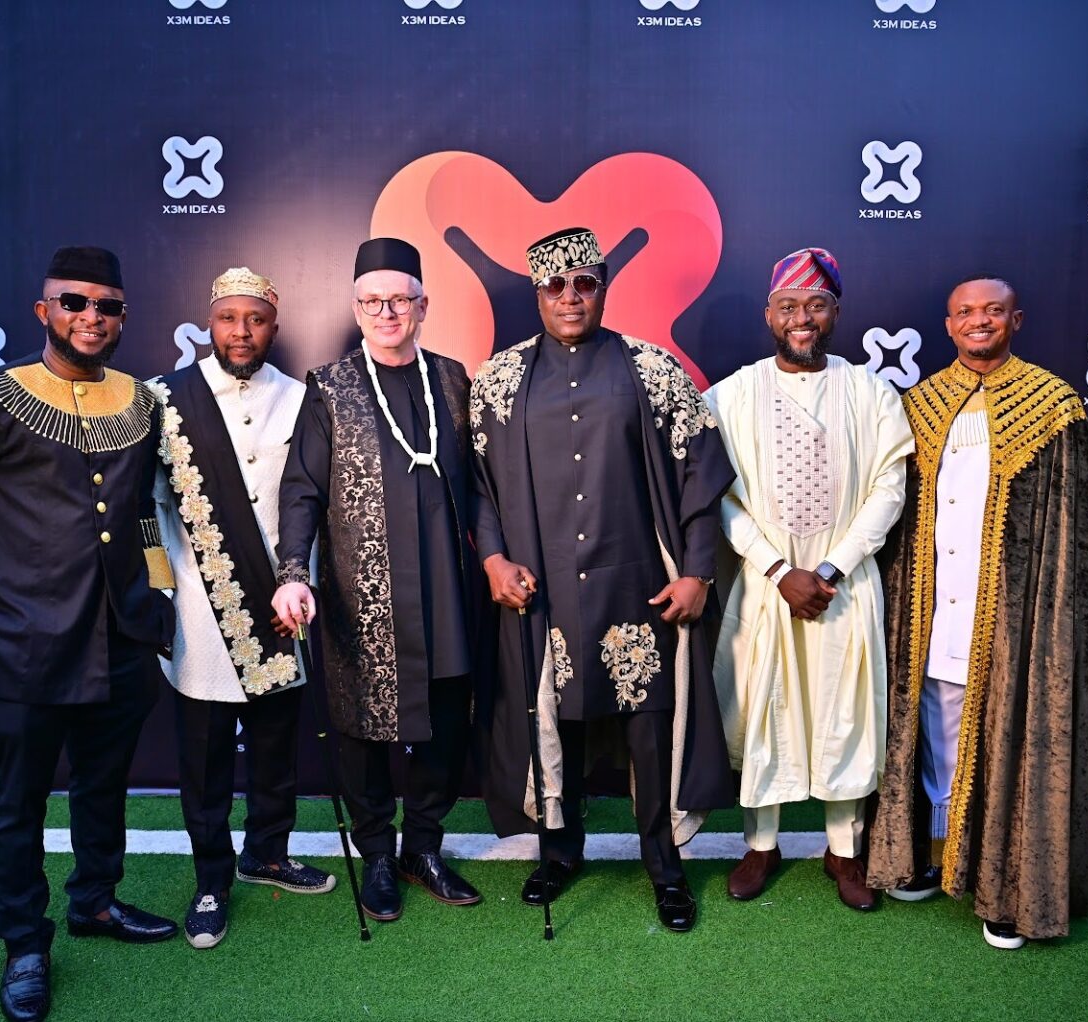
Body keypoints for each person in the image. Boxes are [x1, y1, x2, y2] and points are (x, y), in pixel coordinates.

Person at [0, 246, 178, 1022]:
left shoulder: (142, 403)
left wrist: (156, 600)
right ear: (44, 311)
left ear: (123, 316)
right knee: (17, 804)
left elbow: (140, 513)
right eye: (74, 302)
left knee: (104, 785)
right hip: (24, 644)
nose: (91, 317)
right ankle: (25, 944)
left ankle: (96, 899)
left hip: (122, 640)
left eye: (107, 306)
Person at [473, 227, 735, 933]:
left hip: (636, 584)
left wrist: (698, 572)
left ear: (604, 287)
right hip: (542, 586)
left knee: (649, 725)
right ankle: (560, 851)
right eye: (555, 285)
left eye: (584, 283)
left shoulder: (654, 370)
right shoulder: (499, 379)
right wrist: (493, 560)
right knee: (553, 720)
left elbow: (700, 482)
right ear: (537, 293)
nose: (570, 297)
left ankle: (664, 864)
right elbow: (479, 488)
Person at [866, 276, 1088, 950]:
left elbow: (1071, 529)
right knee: (935, 732)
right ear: (948, 326)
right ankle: (936, 856)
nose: (980, 321)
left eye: (993, 311)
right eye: (966, 312)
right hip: (933, 606)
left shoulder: (1052, 404)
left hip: (1012, 613)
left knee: (1011, 736)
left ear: (1015, 320)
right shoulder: (921, 404)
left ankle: (1008, 889)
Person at [271, 238, 483, 923]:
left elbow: (483, 485)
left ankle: (423, 847)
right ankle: (378, 858)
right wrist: (292, 573)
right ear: (357, 309)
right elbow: (302, 490)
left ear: (423, 305)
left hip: (446, 589)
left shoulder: (451, 379)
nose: (387, 312)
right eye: (372, 301)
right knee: (360, 730)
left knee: (445, 721)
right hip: (362, 596)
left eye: (400, 299)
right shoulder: (330, 386)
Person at [704, 247, 912, 911]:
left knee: (843, 711)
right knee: (763, 707)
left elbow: (889, 488)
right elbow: (719, 498)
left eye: (816, 305)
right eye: (789, 306)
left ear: (835, 313)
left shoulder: (871, 392)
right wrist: (778, 569)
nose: (803, 318)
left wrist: (827, 569)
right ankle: (760, 845)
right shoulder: (730, 396)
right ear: (768, 314)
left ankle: (845, 851)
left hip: (841, 585)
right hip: (767, 583)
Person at [150, 266, 335, 951]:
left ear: (273, 327)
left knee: (276, 744)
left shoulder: (302, 398)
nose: (241, 331)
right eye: (229, 318)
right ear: (210, 322)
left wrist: (307, 582)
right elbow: (148, 509)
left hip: (283, 600)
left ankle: (268, 853)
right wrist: (163, 595)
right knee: (204, 759)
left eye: (255, 319)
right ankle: (210, 879)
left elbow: (311, 501)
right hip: (200, 607)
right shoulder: (165, 397)